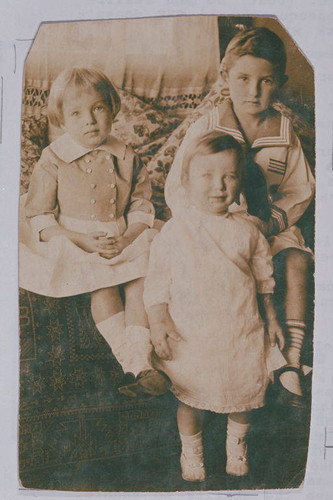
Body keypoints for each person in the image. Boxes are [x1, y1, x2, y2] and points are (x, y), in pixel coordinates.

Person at [165, 27, 315, 407]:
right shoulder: (207, 127)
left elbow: (300, 188)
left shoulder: (284, 134)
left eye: (266, 82)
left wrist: (273, 224)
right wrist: (204, 225)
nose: (254, 91)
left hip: (265, 227)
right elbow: (178, 184)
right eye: (243, 79)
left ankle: (293, 358)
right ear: (225, 75)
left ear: (279, 83)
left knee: (297, 261)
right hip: (215, 229)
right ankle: (234, 354)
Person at [19, 67, 170, 397]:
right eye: (76, 113)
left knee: (141, 280)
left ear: (113, 110)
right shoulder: (54, 158)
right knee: (102, 287)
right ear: (61, 119)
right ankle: (134, 363)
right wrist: (81, 240)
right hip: (73, 239)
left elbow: (142, 204)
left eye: (98, 108)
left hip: (122, 236)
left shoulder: (126, 155)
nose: (89, 120)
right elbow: (39, 214)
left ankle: (144, 360)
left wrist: (129, 237)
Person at [144, 132, 285, 481]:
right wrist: (158, 318)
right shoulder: (176, 231)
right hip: (193, 332)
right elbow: (157, 281)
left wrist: (272, 319)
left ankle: (236, 443)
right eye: (206, 176)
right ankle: (191, 452)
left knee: (247, 393)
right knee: (190, 398)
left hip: (240, 328)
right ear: (187, 181)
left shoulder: (248, 231)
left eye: (229, 176)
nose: (218, 186)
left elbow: (264, 280)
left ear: (240, 182)